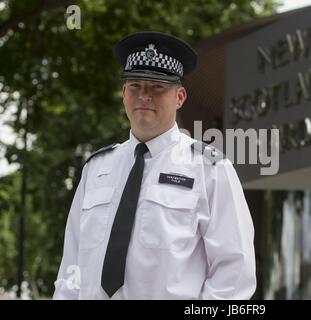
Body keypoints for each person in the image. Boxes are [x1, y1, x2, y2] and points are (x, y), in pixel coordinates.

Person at [53, 31, 256, 300]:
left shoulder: (210, 169)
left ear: (180, 97)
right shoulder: (96, 169)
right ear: (124, 93)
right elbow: (72, 265)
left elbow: (234, 271)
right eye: (135, 86)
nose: (144, 96)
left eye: (158, 86)